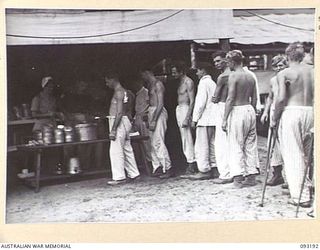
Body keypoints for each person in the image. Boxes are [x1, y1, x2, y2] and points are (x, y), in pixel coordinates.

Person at [271, 42, 314, 208]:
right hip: (311, 111)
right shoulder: (313, 71)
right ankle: (308, 187)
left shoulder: (285, 73)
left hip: (292, 111)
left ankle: (301, 196)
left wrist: (274, 118)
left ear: (287, 56)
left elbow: (281, 98)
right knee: (307, 154)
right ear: (303, 56)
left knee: (293, 154)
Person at [222, 50, 259, 188]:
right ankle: (251, 175)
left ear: (232, 61)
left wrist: (225, 118)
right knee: (250, 144)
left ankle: (238, 178)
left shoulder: (233, 76)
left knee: (235, 144)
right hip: (249, 108)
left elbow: (230, 98)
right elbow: (254, 97)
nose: (228, 65)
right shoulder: (250, 76)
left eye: (228, 62)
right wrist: (253, 111)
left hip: (237, 110)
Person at [104, 70, 140, 185]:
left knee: (116, 150)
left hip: (118, 121)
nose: (107, 84)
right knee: (126, 148)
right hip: (124, 121)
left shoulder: (119, 92)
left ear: (112, 79)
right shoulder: (126, 92)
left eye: (107, 81)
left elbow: (119, 112)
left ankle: (119, 177)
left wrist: (113, 129)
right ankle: (134, 173)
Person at [260, 55, 288, 186]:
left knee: (286, 143)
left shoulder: (289, 79)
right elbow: (270, 97)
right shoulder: (272, 80)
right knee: (273, 143)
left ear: (286, 65)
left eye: (281, 65)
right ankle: (276, 174)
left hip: (285, 111)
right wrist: (265, 112)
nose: (278, 68)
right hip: (273, 110)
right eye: (276, 66)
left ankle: (288, 176)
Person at [140, 69, 173, 179]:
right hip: (152, 111)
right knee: (153, 141)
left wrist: (154, 119)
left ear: (147, 72)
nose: (142, 77)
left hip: (158, 112)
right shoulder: (150, 85)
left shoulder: (158, 84)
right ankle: (157, 166)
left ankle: (167, 167)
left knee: (158, 141)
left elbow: (160, 104)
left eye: (143, 74)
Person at [189, 62, 219, 180]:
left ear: (203, 70)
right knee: (212, 144)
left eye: (198, 70)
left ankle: (204, 170)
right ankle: (215, 167)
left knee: (201, 146)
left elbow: (200, 103)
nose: (197, 73)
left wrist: (195, 119)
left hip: (205, 119)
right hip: (213, 118)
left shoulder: (203, 83)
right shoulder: (212, 83)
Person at [171, 62, 197, 177]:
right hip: (179, 108)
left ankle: (192, 164)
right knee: (184, 137)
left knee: (188, 137)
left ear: (182, 71)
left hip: (185, 109)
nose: (173, 74)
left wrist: (188, 117)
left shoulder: (188, 82)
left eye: (175, 72)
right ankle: (189, 161)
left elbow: (192, 100)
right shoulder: (180, 82)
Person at [211, 51, 233, 184]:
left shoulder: (223, 77)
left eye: (218, 61)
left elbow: (215, 97)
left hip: (222, 105)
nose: (216, 64)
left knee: (220, 142)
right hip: (233, 107)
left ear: (226, 59)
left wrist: (214, 98)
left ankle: (225, 173)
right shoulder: (237, 74)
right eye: (215, 62)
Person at [131, 76, 152, 171]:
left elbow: (149, 105)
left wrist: (147, 116)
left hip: (144, 118)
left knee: (147, 140)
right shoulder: (137, 94)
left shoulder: (146, 92)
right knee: (140, 142)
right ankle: (145, 161)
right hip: (138, 118)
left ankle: (151, 161)